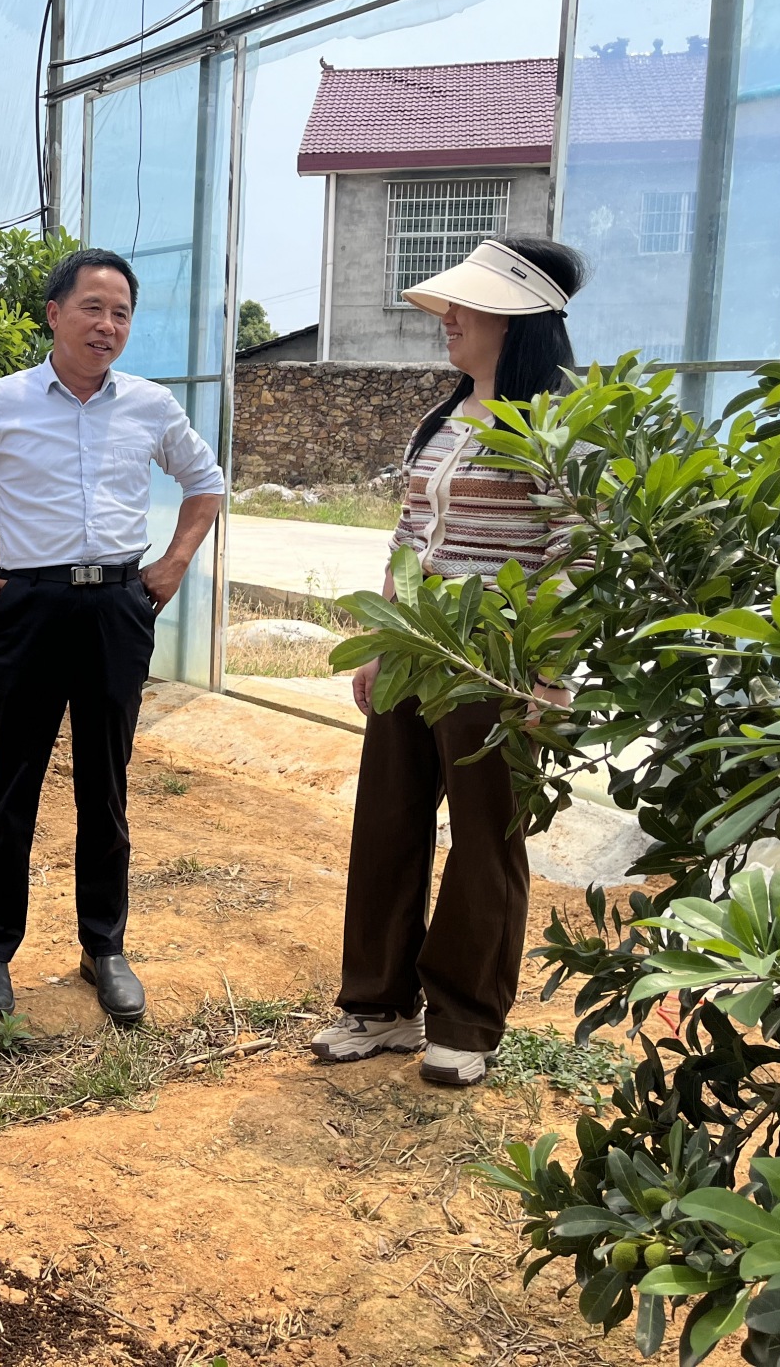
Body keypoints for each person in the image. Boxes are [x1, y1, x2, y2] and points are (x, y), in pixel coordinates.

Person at [0, 248, 225, 1026]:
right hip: (30, 608)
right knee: (12, 783)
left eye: (121, 313)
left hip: (117, 607)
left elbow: (205, 481)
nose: (106, 325)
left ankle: (103, 948)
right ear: (54, 314)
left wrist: (174, 562)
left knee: (104, 786)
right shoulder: (1, 402)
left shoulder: (149, 406)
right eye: (92, 308)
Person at [311, 235, 586, 1087]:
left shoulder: (556, 426)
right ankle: (379, 1005)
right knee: (388, 821)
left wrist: (548, 678)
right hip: (416, 647)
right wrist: (381, 642)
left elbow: (575, 558)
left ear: (516, 320)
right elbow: (408, 536)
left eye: (466, 307)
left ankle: (466, 1020)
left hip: (494, 660)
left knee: (483, 839)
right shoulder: (447, 414)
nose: (449, 318)